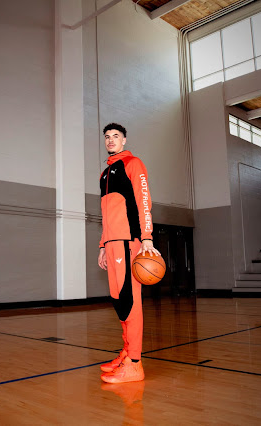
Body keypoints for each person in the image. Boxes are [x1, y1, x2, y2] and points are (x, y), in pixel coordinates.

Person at [97, 123, 160, 384]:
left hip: (128, 241)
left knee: (130, 301)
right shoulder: (104, 174)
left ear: (124, 140)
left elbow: (144, 201)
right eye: (107, 137)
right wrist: (103, 245)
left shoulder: (133, 164)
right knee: (118, 300)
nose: (111, 140)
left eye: (116, 136)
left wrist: (147, 237)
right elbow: (105, 214)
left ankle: (135, 363)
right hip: (112, 244)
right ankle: (126, 353)